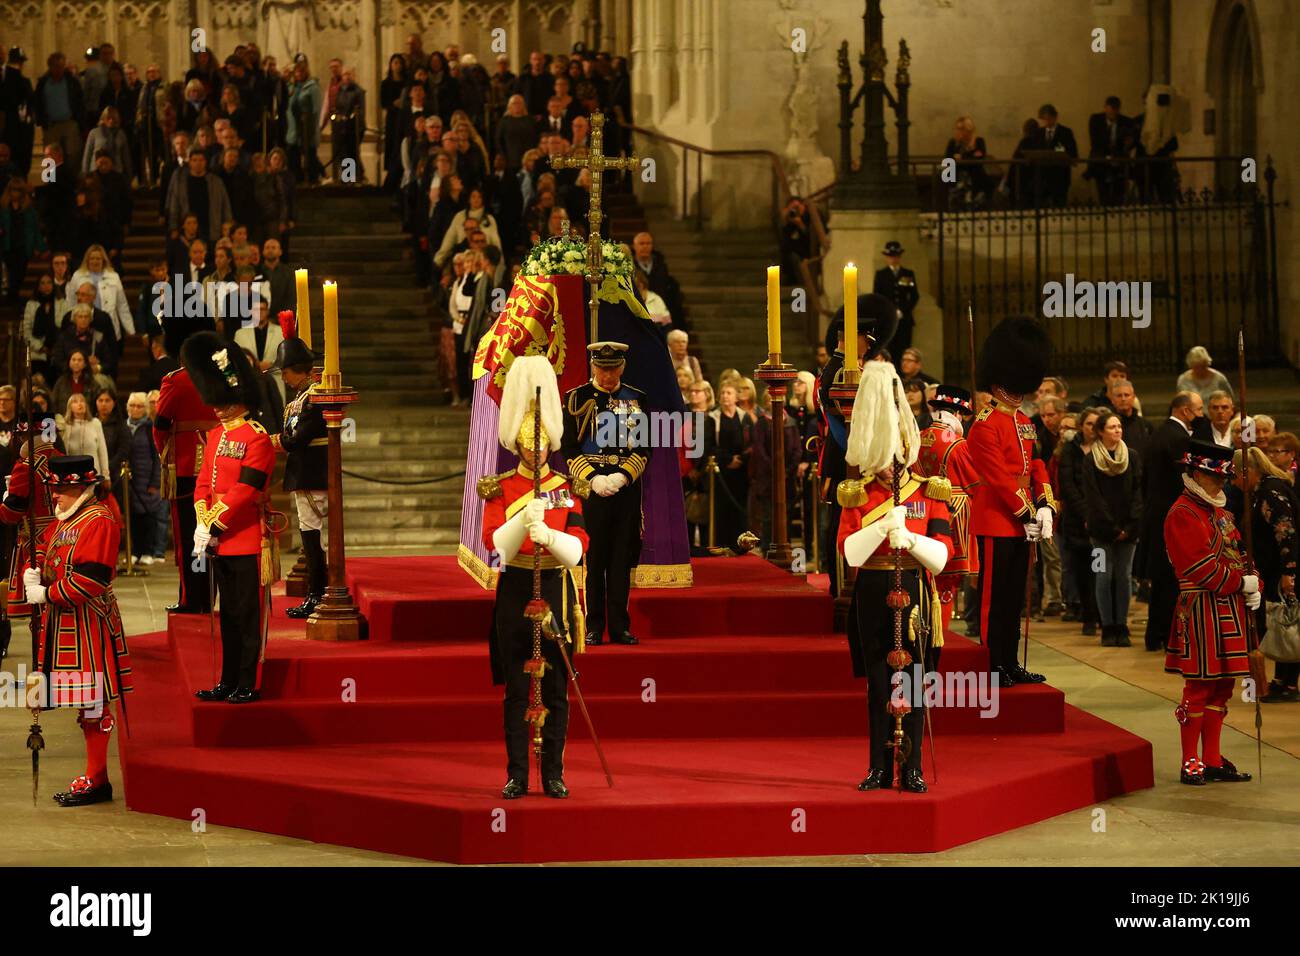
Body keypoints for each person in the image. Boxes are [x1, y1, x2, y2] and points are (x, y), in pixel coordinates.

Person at [838, 360, 953, 793]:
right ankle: (879, 767)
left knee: (915, 681)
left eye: (894, 456)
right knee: (878, 681)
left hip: (918, 594)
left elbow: (941, 557)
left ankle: (913, 767)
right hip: (872, 587)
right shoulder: (859, 494)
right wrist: (884, 527)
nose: (889, 466)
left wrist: (912, 540)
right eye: (881, 457)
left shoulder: (929, 490)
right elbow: (849, 552)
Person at [480, 355, 588, 799]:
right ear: (519, 446)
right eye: (529, 445)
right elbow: (494, 548)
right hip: (516, 586)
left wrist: (553, 537)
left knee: (558, 688)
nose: (536, 451)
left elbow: (579, 547)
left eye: (541, 445)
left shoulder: (566, 485)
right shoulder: (499, 487)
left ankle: (554, 774)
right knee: (516, 690)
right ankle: (517, 773)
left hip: (556, 589)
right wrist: (525, 520)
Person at [21, 454, 132, 806]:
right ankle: (95, 775)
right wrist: (30, 568)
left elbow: (92, 579)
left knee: (94, 701)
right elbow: (45, 546)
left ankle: (98, 778)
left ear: (81, 488)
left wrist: (47, 593)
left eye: (61, 489)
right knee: (85, 702)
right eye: (54, 489)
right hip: (67, 623)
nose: (54, 496)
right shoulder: (67, 517)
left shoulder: (98, 520)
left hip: (89, 624)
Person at [184, 331, 273, 703]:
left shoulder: (257, 438)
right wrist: (202, 519)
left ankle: (247, 682)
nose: (216, 407)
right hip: (219, 540)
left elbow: (246, 490)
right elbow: (204, 482)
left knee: (247, 616)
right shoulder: (216, 435)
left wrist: (214, 521)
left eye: (222, 401)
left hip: (246, 537)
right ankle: (227, 680)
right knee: (228, 617)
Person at [967, 318, 1057, 687]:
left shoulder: (1023, 421)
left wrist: (1046, 503)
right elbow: (999, 477)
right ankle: (993, 664)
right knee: (994, 599)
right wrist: (1027, 512)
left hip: (1022, 521)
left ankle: (1011, 661)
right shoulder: (984, 424)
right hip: (996, 519)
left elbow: (1035, 465)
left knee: (1014, 599)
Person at [1164, 440, 1257, 785]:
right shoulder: (1182, 514)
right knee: (1200, 687)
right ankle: (1190, 760)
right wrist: (1241, 583)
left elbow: (1243, 555)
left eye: (1223, 477)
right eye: (1213, 477)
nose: (1221, 483)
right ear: (1194, 474)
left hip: (1229, 608)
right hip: (1201, 608)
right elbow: (1200, 567)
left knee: (1222, 687)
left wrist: (1255, 583)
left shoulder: (1222, 514)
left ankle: (1213, 758)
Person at [562, 342, 648, 647]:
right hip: (593, 491)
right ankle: (594, 626)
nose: (608, 375)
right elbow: (569, 447)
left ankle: (621, 626)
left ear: (622, 368)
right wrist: (595, 478)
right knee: (595, 560)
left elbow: (644, 448)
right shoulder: (576, 398)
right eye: (602, 368)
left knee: (620, 561)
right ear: (593, 367)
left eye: (613, 369)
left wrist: (623, 476)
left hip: (625, 491)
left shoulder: (637, 398)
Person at [153, 331, 216, 614]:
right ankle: (209, 597)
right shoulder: (220, 376)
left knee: (188, 536)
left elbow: (160, 423)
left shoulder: (175, 380)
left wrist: (163, 452)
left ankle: (192, 598)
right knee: (212, 534)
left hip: (184, 465)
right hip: (218, 462)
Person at [269, 315, 328, 618]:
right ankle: (315, 593)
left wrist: (273, 440)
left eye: (286, 372)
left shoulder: (314, 398)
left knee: (313, 537)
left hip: (311, 472)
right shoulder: (302, 397)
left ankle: (318, 594)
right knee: (309, 537)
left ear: (296, 371)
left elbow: (296, 439)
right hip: (303, 473)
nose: (283, 377)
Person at [914, 385, 980, 632]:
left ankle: (926, 625)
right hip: (954, 512)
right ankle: (941, 630)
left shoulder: (918, 437)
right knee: (948, 580)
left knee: (927, 573)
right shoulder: (958, 443)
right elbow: (975, 484)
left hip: (921, 509)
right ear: (959, 413)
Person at [1083, 411, 1143, 646]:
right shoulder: (1091, 459)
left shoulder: (1133, 456)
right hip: (1101, 531)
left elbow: (1138, 491)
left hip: (1129, 529)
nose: (1117, 430)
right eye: (1111, 427)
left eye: (1119, 426)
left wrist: (1129, 526)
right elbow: (1094, 497)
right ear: (1100, 432)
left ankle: (1122, 625)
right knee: (1103, 576)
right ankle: (1107, 626)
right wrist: (1111, 527)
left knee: (1124, 576)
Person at [123, 391, 162, 564]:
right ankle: (134, 551)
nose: (135, 409)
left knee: (149, 517)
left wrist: (155, 482)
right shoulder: (124, 427)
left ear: (145, 409)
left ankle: (148, 551)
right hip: (129, 480)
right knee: (133, 518)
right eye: (132, 405)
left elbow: (157, 458)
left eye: (139, 406)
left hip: (146, 480)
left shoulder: (149, 428)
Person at [873, 241, 919, 367]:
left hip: (904, 320)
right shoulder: (881, 275)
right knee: (889, 349)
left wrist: (903, 311)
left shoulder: (907, 274)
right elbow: (878, 298)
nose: (893, 259)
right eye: (890, 256)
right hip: (888, 320)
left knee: (904, 349)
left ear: (899, 257)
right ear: (886, 257)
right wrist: (891, 312)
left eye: (896, 256)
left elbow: (914, 296)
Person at [1085, 95, 1133, 205]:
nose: (1112, 114)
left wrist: (1126, 146)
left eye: (1114, 112)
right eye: (1110, 111)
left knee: (1119, 193)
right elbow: (1095, 142)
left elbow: (1128, 143)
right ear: (1105, 108)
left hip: (1119, 162)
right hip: (1101, 161)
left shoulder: (1126, 122)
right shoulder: (1096, 120)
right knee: (1103, 193)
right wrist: (1108, 158)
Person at [58, 393, 109, 478]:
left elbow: (102, 452)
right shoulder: (64, 425)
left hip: (93, 475)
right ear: (70, 407)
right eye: (75, 401)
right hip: (71, 475)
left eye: (82, 401)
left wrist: (106, 476)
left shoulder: (95, 423)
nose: (80, 404)